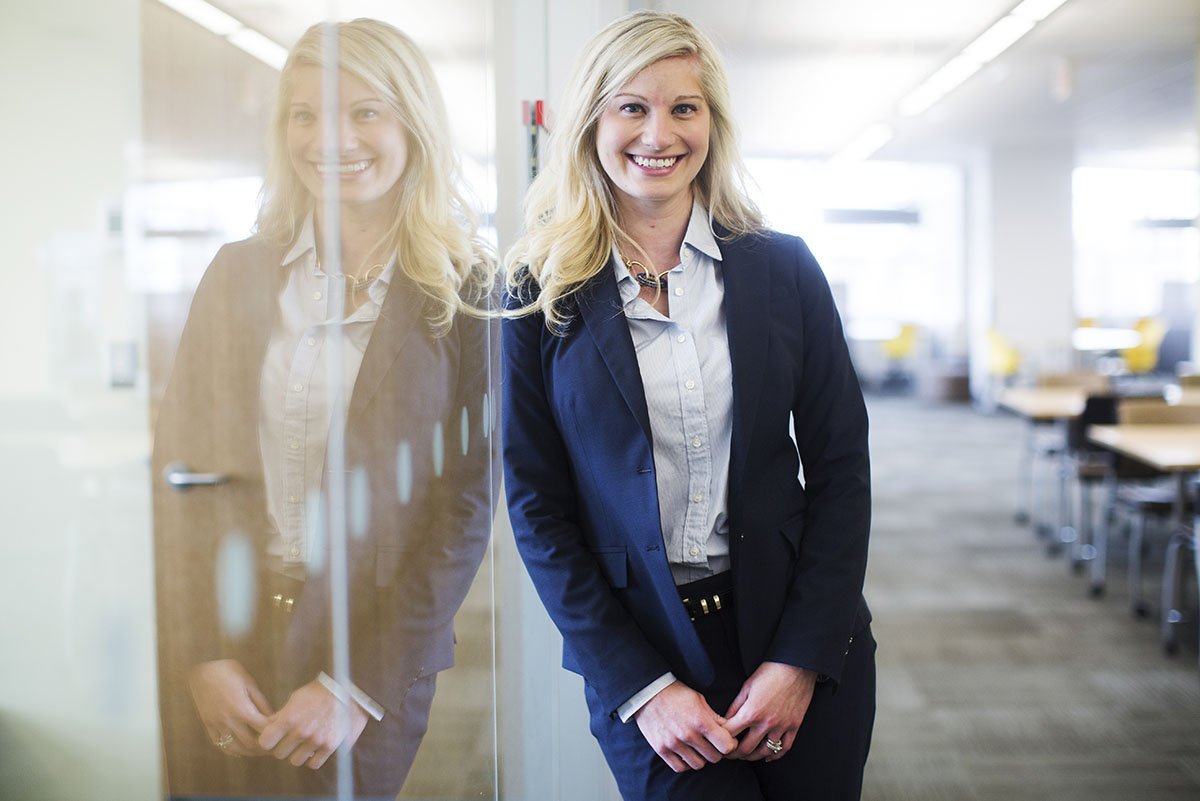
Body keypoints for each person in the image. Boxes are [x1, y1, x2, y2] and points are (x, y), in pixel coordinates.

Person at [501, 10, 874, 800]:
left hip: (794, 624)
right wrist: (640, 685)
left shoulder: (784, 269)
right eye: (631, 106)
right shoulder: (540, 291)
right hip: (647, 649)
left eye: (684, 107)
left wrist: (802, 656)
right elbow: (537, 507)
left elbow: (842, 468)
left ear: (712, 122)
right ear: (591, 121)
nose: (658, 132)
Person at [151, 18, 498, 799]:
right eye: (304, 114)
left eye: (363, 111)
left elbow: (461, 512)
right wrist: (199, 652)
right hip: (228, 635)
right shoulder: (238, 274)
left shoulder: (467, 292)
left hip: (369, 649)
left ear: (412, 121)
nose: (330, 138)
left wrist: (354, 684)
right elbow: (180, 474)